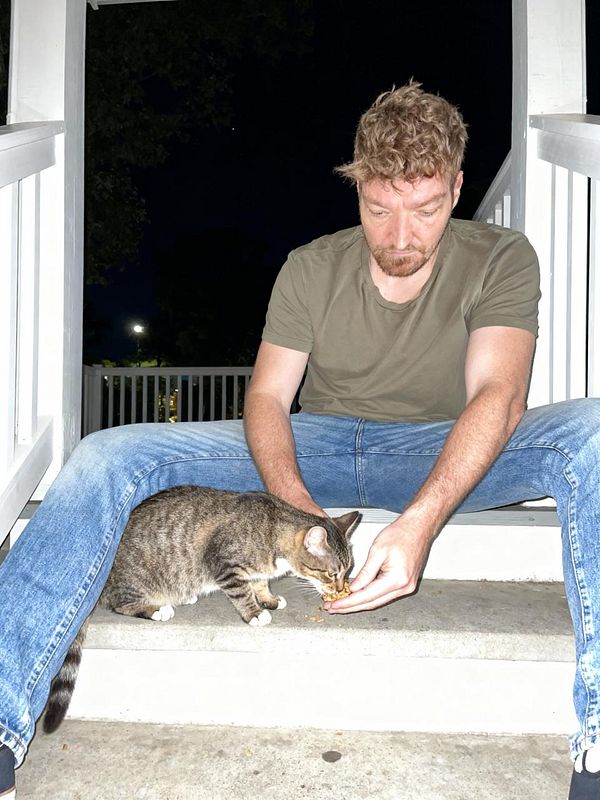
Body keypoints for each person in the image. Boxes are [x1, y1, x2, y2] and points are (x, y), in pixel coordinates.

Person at [0, 82, 598, 800]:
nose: (401, 235)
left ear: (459, 188)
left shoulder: (501, 256)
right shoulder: (311, 266)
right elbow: (267, 398)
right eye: (380, 209)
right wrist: (295, 518)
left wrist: (419, 523)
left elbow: (497, 396)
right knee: (109, 450)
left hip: (438, 447)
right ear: (355, 186)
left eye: (427, 209)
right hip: (315, 441)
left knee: (592, 430)